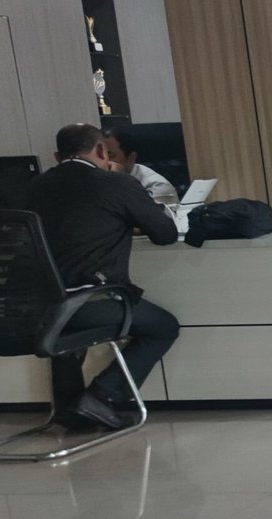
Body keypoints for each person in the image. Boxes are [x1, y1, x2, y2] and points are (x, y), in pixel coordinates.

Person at [25, 124, 182, 430]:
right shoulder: (116, 183)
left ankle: (69, 408)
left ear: (57, 156)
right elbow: (165, 234)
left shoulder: (34, 186)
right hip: (92, 302)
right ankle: (101, 396)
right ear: (100, 150)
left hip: (38, 306)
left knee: (64, 324)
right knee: (163, 327)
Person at [100, 127, 179, 205]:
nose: (102, 162)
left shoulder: (158, 186)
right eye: (99, 155)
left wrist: (121, 182)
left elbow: (140, 212)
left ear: (131, 158)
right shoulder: (98, 180)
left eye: (110, 156)